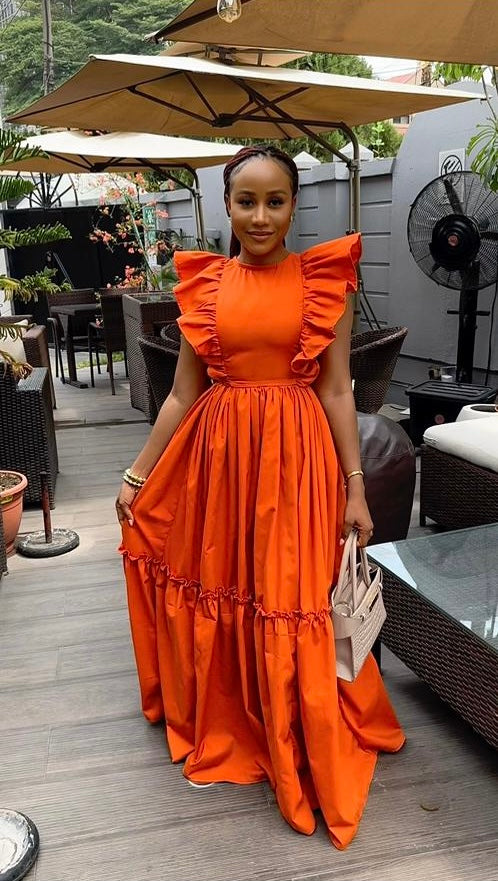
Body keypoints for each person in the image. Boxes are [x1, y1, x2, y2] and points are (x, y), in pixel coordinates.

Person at [116, 144, 405, 850]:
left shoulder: (324, 282)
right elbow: (182, 393)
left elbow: (337, 390)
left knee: (288, 590)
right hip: (220, 460)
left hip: (298, 463)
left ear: (294, 205)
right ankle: (232, 715)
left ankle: (290, 723)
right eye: (246, 201)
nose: (261, 216)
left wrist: (355, 488)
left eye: (275, 201)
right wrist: (138, 474)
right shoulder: (205, 286)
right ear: (226, 205)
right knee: (229, 579)